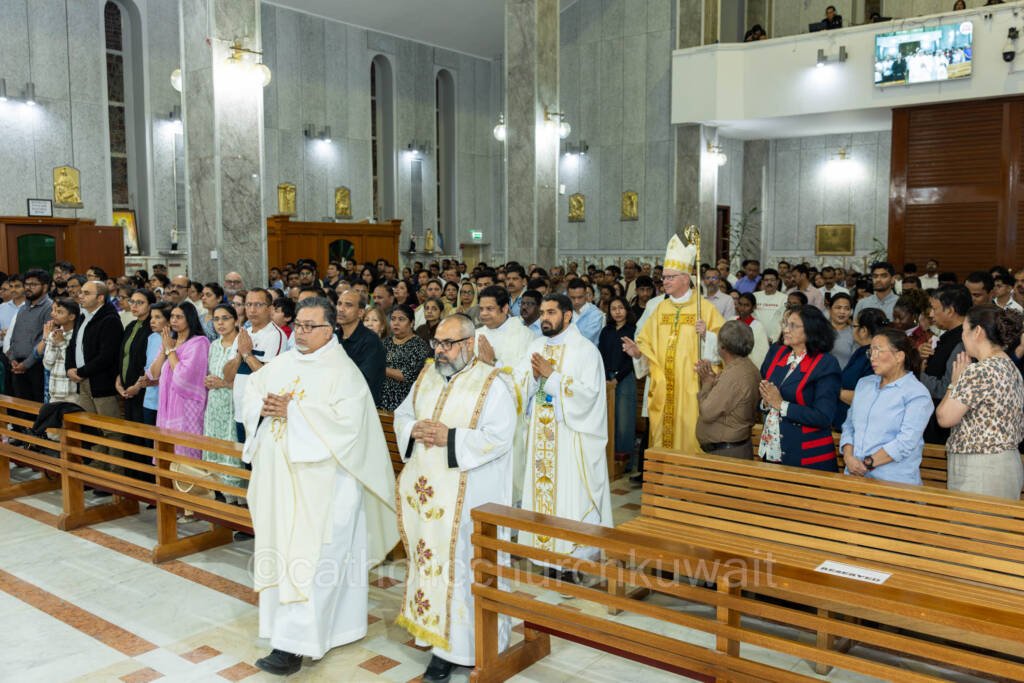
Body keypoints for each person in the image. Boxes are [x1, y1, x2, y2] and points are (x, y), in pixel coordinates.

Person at [243, 297, 398, 675]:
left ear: (331, 330)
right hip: (282, 483)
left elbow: (349, 427)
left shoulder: (344, 373)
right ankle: (290, 630)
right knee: (285, 555)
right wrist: (260, 405)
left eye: (311, 326)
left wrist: (294, 412)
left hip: (326, 486)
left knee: (314, 563)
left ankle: (293, 647)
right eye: (298, 325)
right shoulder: (286, 362)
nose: (302, 332)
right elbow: (252, 389)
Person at [394, 314, 515, 682]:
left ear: (468, 343)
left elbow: (500, 437)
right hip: (428, 498)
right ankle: (434, 639)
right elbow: (402, 413)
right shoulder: (427, 375)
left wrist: (452, 437)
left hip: (470, 494)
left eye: (448, 344)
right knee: (432, 565)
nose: (440, 351)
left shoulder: (493, 383)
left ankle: (462, 649)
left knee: (463, 567)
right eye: (437, 343)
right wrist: (413, 427)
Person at [516, 294, 612, 583]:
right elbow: (519, 386)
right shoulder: (535, 346)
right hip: (540, 437)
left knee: (570, 499)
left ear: (568, 315)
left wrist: (552, 376)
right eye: (543, 313)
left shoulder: (585, 351)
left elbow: (589, 396)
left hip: (571, 439)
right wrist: (534, 378)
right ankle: (545, 557)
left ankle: (573, 561)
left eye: (551, 312)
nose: (544, 318)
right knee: (543, 498)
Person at [624, 235, 725, 454]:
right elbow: (647, 343)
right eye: (664, 277)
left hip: (691, 388)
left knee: (689, 437)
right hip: (663, 388)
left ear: (686, 278)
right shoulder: (660, 309)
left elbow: (725, 347)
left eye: (670, 277)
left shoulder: (705, 309)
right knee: (662, 439)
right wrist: (638, 353)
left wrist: (707, 336)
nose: (665, 281)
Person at [937, 305, 1024, 500]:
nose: (962, 337)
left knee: (974, 519)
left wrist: (954, 383)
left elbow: (944, 418)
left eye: (964, 330)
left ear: (977, 331)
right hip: (1006, 462)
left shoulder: (978, 371)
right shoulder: (1010, 366)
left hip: (980, 467)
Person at [841, 329, 933, 485]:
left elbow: (905, 442)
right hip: (854, 476)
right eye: (871, 352)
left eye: (878, 351)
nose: (872, 357)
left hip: (893, 481)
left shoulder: (917, 393)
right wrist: (848, 457)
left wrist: (868, 463)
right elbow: (849, 425)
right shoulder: (864, 384)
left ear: (899, 356)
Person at [758, 306, 841, 471]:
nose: (785, 330)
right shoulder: (780, 354)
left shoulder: (826, 363)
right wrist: (766, 402)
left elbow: (823, 417)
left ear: (811, 330)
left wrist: (780, 404)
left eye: (793, 326)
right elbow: (769, 398)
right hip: (773, 450)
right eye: (785, 324)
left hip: (806, 457)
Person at [474, 285, 536, 501]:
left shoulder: (524, 336)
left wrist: (494, 362)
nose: (483, 314)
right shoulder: (476, 334)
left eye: (490, 309)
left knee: (509, 476)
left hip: (510, 416)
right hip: (478, 414)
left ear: (505, 308)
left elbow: (526, 380)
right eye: (481, 309)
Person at [150, 304, 211, 458]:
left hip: (187, 406)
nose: (174, 320)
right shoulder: (170, 342)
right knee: (167, 455)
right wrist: (165, 349)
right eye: (172, 316)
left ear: (189, 319)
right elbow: (154, 374)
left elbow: (183, 376)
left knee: (185, 455)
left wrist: (170, 351)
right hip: (167, 406)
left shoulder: (200, 343)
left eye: (179, 317)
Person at [695, 320, 761, 459]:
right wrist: (713, 381)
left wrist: (706, 383)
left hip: (727, 453)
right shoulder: (747, 367)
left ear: (723, 347)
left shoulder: (734, 375)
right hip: (733, 448)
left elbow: (707, 412)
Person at [202, 304, 244, 498]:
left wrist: (224, 384)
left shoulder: (242, 344)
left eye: (225, 318)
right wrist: (208, 381)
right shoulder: (214, 345)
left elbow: (249, 380)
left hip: (234, 405)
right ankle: (218, 496)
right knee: (215, 449)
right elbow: (211, 373)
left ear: (235, 320)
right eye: (216, 319)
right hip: (214, 406)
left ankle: (235, 499)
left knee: (232, 449)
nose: (220, 323)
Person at [233, 289, 286, 442]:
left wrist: (247, 354)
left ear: (270, 309)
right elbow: (228, 375)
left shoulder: (276, 335)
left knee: (259, 455)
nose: (252, 310)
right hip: (240, 410)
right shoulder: (243, 334)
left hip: (260, 412)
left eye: (258, 305)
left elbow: (268, 376)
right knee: (242, 455)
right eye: (248, 304)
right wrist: (239, 356)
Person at [920, 285, 970, 444]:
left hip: (945, 429)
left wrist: (920, 374)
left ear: (950, 310)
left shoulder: (963, 342)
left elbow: (945, 389)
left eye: (934, 309)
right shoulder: (949, 336)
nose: (930, 314)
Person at [66, 281, 123, 418]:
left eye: (86, 293)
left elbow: (107, 356)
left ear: (100, 298)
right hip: (82, 380)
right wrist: (69, 368)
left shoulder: (110, 320)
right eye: (81, 292)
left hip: (102, 383)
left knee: (108, 425)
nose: (81, 296)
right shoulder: (83, 316)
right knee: (87, 424)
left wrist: (80, 371)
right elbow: (72, 345)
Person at [835, 308, 890, 431]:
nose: (852, 330)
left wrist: (836, 392)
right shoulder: (861, 351)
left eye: (854, 326)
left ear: (864, 331)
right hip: (845, 422)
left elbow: (868, 397)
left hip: (862, 426)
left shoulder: (875, 357)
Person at [599, 296, 637, 469]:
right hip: (606, 378)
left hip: (625, 378)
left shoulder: (633, 330)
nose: (617, 312)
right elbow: (601, 355)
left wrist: (617, 378)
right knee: (608, 419)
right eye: (613, 309)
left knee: (624, 422)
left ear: (627, 310)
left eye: (621, 308)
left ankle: (624, 461)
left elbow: (632, 361)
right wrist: (606, 377)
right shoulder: (606, 331)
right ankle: (609, 458)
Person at [7, 270, 53, 403]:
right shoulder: (23, 308)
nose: (28, 287)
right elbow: (14, 336)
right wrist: (12, 358)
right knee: (20, 404)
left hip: (37, 366)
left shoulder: (49, 307)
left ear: (45, 287)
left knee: (37, 406)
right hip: (17, 365)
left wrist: (26, 364)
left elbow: (46, 339)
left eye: (33, 284)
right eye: (26, 284)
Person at [336, 290, 386, 406]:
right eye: (339, 304)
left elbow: (361, 381)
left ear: (360, 312)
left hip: (360, 406)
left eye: (348, 305)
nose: (341, 309)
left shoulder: (371, 341)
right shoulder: (333, 337)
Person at [380, 304, 431, 412]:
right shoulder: (385, 342)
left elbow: (407, 375)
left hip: (403, 402)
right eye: (393, 319)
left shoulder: (419, 346)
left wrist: (379, 368)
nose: (396, 323)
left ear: (412, 323)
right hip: (380, 399)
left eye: (401, 319)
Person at [40, 298, 79, 404]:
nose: (54, 315)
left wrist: (61, 344)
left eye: (60, 312)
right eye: (55, 311)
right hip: (54, 392)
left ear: (71, 317)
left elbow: (73, 363)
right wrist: (53, 341)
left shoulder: (77, 336)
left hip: (72, 393)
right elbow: (47, 364)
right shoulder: (53, 334)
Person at [142, 303, 170, 426]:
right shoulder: (152, 338)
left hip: (166, 400)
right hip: (149, 399)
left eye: (158, 317)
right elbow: (148, 367)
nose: (152, 321)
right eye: (151, 317)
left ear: (168, 321)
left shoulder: (174, 339)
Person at [735, 292, 769, 369]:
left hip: (749, 366)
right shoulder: (731, 321)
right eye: (740, 304)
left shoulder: (757, 326)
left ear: (753, 307)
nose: (742, 308)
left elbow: (762, 353)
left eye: (746, 305)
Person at [754, 268, 787, 342]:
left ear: (777, 282)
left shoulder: (784, 298)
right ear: (762, 282)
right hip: (756, 337)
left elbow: (783, 320)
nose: (769, 282)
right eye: (766, 280)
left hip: (775, 340)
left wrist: (773, 338)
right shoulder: (755, 296)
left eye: (772, 280)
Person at [828, 293, 856, 369]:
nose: (842, 312)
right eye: (838, 307)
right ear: (830, 310)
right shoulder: (820, 329)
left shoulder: (855, 333)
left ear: (851, 312)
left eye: (847, 309)